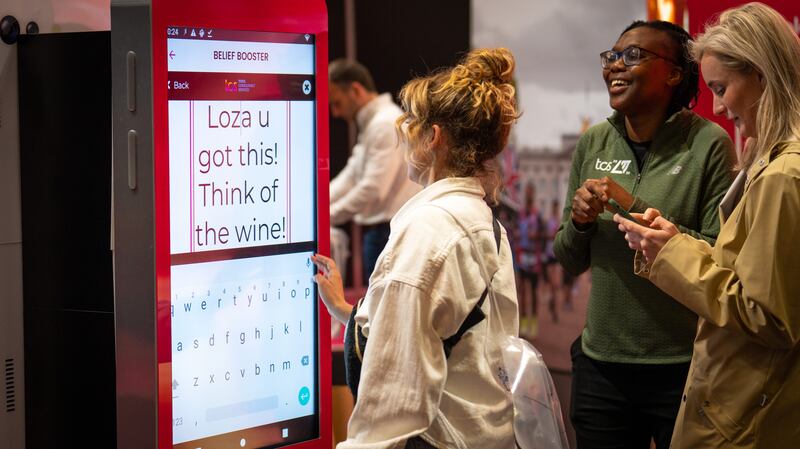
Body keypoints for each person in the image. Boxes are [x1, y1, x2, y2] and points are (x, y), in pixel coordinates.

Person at [313, 48, 520, 449]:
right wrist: (343, 308)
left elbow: (393, 400)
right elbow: (442, 324)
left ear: (434, 137)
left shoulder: (429, 229)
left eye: (411, 123)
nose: (403, 132)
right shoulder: (481, 217)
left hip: (441, 438)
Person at [615, 4, 800, 448]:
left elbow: (769, 315)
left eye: (722, 87)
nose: (717, 105)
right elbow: (747, 273)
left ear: (761, 74)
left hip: (746, 414)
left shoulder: (783, 174)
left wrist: (671, 255)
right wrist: (677, 244)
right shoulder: (772, 161)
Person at [553, 20, 736, 449]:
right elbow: (568, 258)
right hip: (601, 368)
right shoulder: (593, 143)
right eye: (612, 56)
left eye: (633, 55)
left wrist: (633, 208)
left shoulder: (709, 143)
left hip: (684, 367)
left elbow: (718, 254)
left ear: (674, 73)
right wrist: (579, 223)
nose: (616, 65)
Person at [328, 59, 421, 281]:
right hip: (384, 233)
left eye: (337, 103)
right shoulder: (376, 123)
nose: (335, 113)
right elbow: (352, 174)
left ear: (356, 90)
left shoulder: (384, 123)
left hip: (389, 234)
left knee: (382, 313)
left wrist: (326, 215)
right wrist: (318, 207)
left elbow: (373, 188)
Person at [517, 183, 544, 335]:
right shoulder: (519, 214)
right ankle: (523, 322)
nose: (528, 196)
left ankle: (533, 324)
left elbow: (545, 234)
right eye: (526, 193)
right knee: (522, 292)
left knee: (533, 292)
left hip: (534, 257)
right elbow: (514, 231)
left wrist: (537, 236)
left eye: (530, 194)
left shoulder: (537, 215)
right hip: (522, 256)